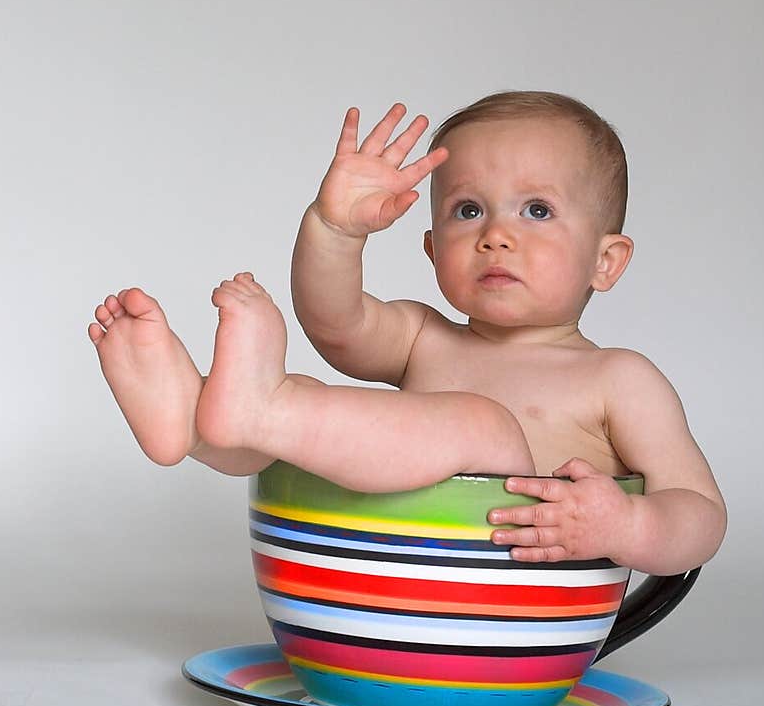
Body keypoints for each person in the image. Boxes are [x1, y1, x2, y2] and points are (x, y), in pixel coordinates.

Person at [88, 91, 726, 574]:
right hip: (373, 583)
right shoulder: (425, 337)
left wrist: (630, 527)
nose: (495, 234)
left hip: (499, 609)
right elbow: (334, 322)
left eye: (537, 210)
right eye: (467, 210)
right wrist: (336, 230)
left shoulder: (619, 379)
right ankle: (196, 421)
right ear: (430, 248)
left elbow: (701, 513)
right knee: (321, 417)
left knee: (482, 427)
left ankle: (257, 411)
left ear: (604, 261)